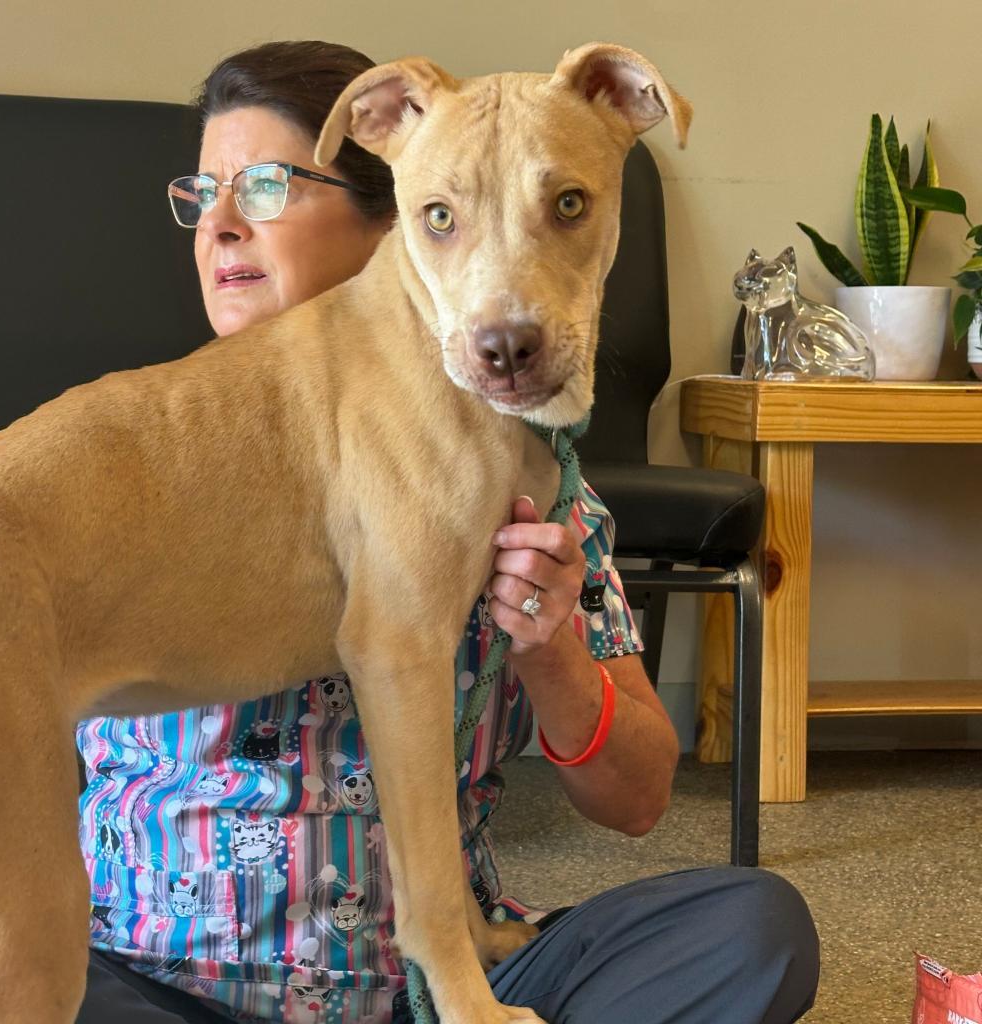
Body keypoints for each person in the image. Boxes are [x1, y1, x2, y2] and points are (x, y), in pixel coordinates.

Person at [75, 39, 819, 1024]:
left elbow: (637, 799)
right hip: (157, 981)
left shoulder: (540, 496)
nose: (217, 225)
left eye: (261, 187)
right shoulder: (120, 458)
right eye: (200, 194)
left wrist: (547, 642)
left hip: (434, 989)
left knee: (751, 930)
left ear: (389, 219)